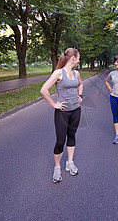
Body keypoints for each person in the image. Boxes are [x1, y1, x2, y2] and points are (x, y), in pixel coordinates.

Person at [40, 48, 83, 183]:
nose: (79, 60)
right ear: (73, 58)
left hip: (76, 110)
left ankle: (69, 163)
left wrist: (79, 95)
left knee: (72, 135)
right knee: (60, 140)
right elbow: (44, 89)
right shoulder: (59, 73)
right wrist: (54, 104)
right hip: (62, 112)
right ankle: (57, 167)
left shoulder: (76, 73)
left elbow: (80, 84)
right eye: (78, 58)